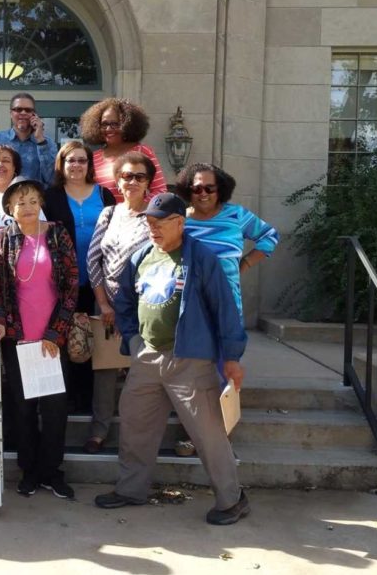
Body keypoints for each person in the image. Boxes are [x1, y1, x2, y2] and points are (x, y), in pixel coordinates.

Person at [94, 193, 250, 526]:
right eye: (148, 222)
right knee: (135, 428)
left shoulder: (202, 258)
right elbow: (123, 301)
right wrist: (134, 341)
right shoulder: (141, 257)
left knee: (208, 434)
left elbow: (225, 309)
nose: (152, 228)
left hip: (190, 360)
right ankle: (130, 489)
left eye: (159, 223)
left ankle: (232, 499)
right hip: (147, 357)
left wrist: (232, 357)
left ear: (179, 222)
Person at [0, 177, 79, 498]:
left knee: (54, 410)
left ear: (41, 204)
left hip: (52, 339)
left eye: (32, 201)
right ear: (10, 209)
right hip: (18, 339)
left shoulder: (57, 234)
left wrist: (56, 333)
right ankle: (29, 471)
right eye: (20, 202)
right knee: (23, 410)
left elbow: (71, 287)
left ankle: (52, 471)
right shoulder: (2, 239)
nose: (27, 207)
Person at [83, 152, 157, 454]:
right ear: (117, 180)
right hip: (109, 307)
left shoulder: (156, 214)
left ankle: (135, 435)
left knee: (141, 375)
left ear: (148, 181)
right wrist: (104, 304)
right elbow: (93, 259)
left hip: (145, 308)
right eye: (127, 176)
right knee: (105, 371)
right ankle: (99, 430)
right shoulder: (108, 214)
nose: (132, 181)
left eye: (139, 176)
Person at [42, 141, 116, 414]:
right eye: (70, 160)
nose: (76, 165)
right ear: (61, 164)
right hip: (61, 283)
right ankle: (67, 398)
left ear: (89, 165)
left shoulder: (104, 195)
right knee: (66, 338)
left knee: (94, 340)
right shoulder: (50, 197)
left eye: (81, 160)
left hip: (99, 282)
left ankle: (90, 401)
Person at [175, 162, 279, 319]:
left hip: (226, 303)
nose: (203, 193)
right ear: (188, 190)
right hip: (186, 304)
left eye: (210, 188)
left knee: (227, 343)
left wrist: (245, 264)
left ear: (220, 189)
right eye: (197, 188)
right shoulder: (179, 219)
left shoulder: (236, 215)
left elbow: (270, 236)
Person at [79, 98, 167, 203]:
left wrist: (134, 210)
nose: (108, 129)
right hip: (100, 217)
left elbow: (160, 190)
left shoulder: (142, 151)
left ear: (128, 125)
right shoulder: (93, 157)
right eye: (104, 124)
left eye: (115, 124)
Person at [0, 93, 58, 185]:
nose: (23, 113)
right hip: (2, 197)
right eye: (18, 109)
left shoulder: (47, 143)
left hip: (35, 198)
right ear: (11, 114)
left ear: (34, 115)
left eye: (28, 110)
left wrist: (40, 140)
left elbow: (52, 178)